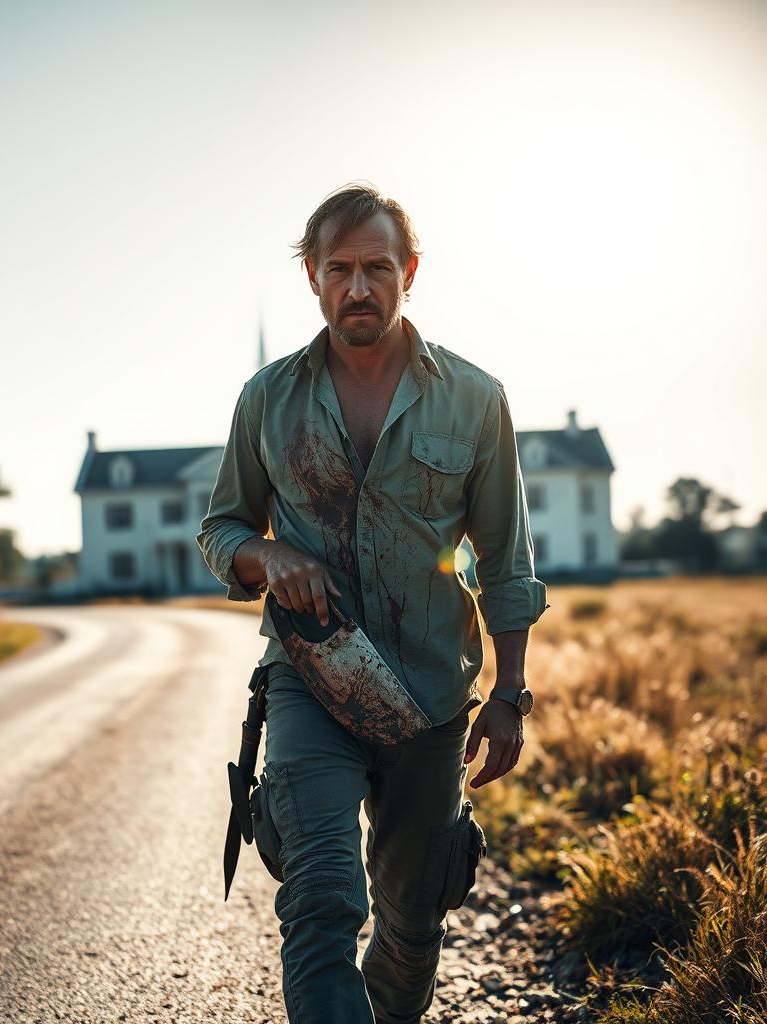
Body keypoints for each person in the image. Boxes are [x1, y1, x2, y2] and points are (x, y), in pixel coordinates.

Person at [196, 184, 548, 1024]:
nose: (360, 287)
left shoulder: (476, 399)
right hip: (308, 679)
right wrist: (267, 553)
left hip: (431, 697)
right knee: (320, 895)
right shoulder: (267, 399)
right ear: (313, 279)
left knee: (413, 922)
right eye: (341, 269)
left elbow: (507, 560)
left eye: (378, 268)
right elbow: (221, 528)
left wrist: (508, 695)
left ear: (410, 272)